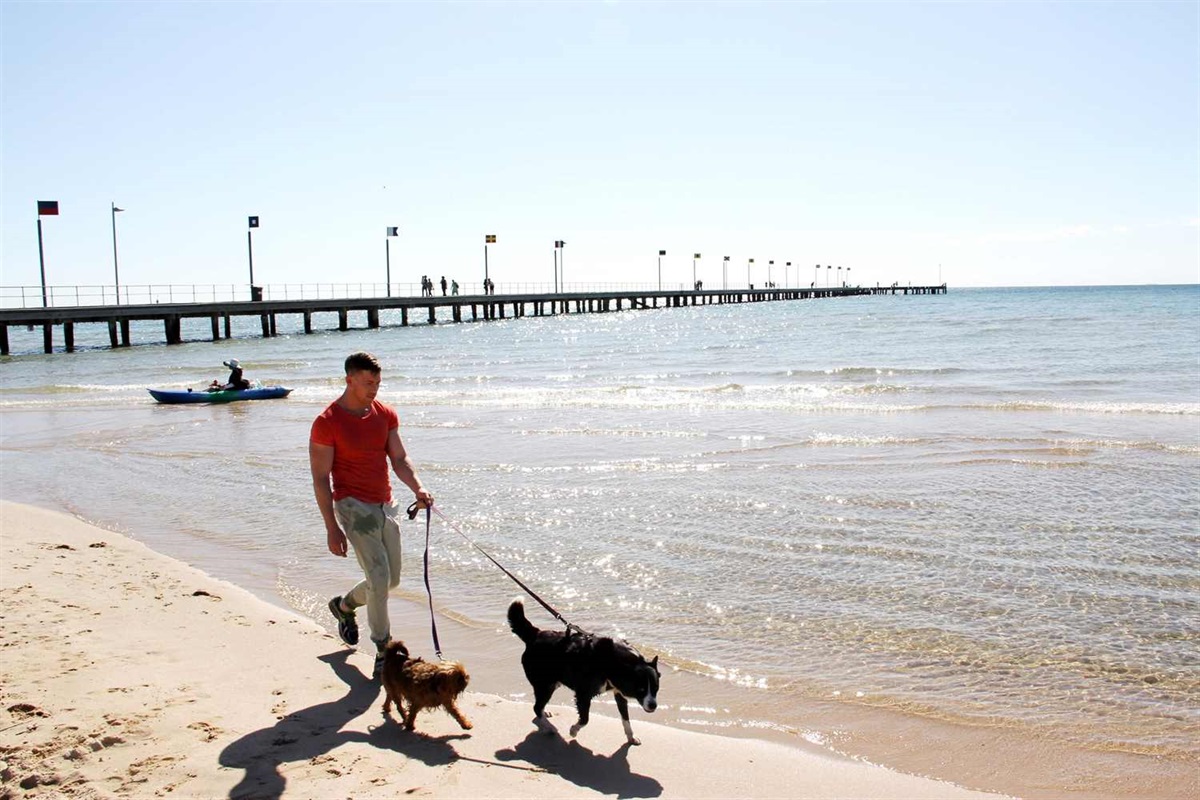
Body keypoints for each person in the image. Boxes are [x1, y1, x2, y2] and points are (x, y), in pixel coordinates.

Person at [310, 352, 434, 680]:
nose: (374, 389)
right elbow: (321, 478)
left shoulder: (385, 415)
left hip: (385, 504)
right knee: (379, 578)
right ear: (349, 379)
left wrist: (418, 489)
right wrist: (331, 528)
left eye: (377, 383)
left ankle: (345, 606)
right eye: (368, 383)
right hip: (352, 506)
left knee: (389, 580)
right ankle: (383, 650)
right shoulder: (327, 421)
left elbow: (400, 459)